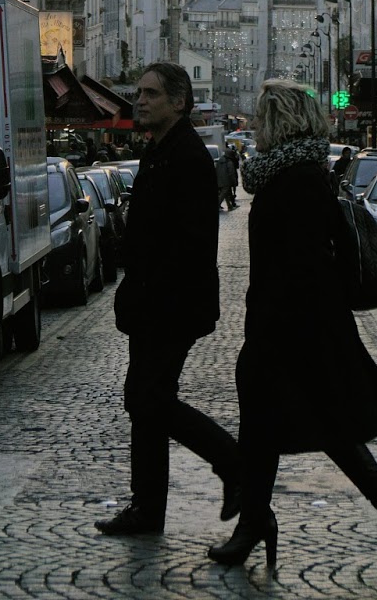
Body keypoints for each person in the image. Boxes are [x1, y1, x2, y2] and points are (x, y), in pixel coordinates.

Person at [208, 80, 377, 571]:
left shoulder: (299, 179)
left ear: (279, 120)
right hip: (293, 320)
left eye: (262, 118)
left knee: (286, 425)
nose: (256, 127)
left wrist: (272, 325)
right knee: (297, 425)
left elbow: (302, 262)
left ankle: (260, 523)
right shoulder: (291, 174)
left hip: (297, 324)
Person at [95, 62, 240, 537]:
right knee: (146, 402)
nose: (139, 100)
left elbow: (187, 244)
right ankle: (148, 507)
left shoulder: (186, 157)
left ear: (179, 102)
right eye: (138, 92)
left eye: (150, 93)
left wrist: (150, 289)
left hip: (170, 304)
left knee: (148, 398)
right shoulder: (160, 151)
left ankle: (230, 460)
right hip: (152, 302)